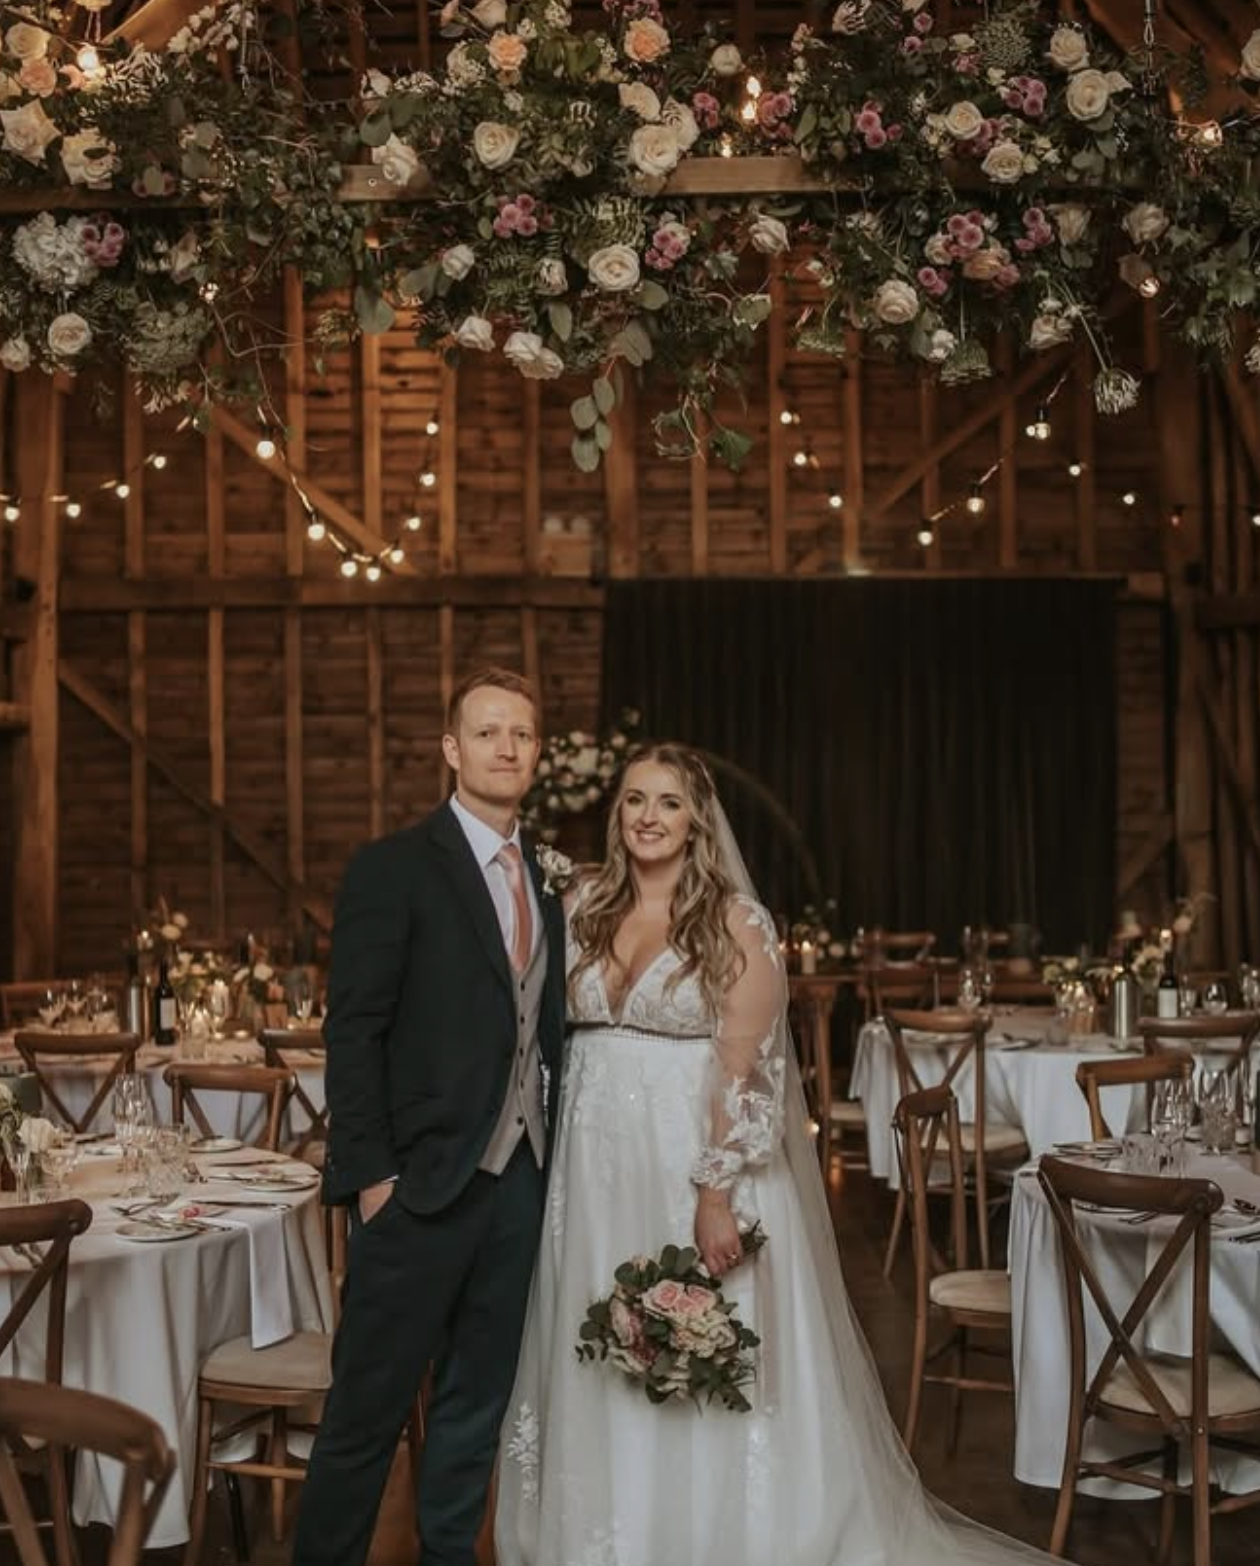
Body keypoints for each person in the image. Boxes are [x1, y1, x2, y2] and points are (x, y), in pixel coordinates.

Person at [495, 743, 1056, 1566]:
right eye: (635, 801)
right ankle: (605, 1533)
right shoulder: (582, 903)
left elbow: (745, 1068)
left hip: (687, 1163)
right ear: (618, 814)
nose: (649, 816)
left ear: (697, 822)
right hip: (589, 1173)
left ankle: (711, 1533)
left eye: (669, 803)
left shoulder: (734, 922)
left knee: (697, 1342)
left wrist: (716, 1191)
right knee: (595, 1342)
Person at [294, 668, 567, 1566]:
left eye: (521, 735)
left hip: (519, 1185)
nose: (506, 748)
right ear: (452, 749)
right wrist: (373, 1179)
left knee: (474, 1407)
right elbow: (356, 1029)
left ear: (537, 755)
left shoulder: (550, 881)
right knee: (366, 1413)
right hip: (414, 1189)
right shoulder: (394, 869)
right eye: (487, 732)